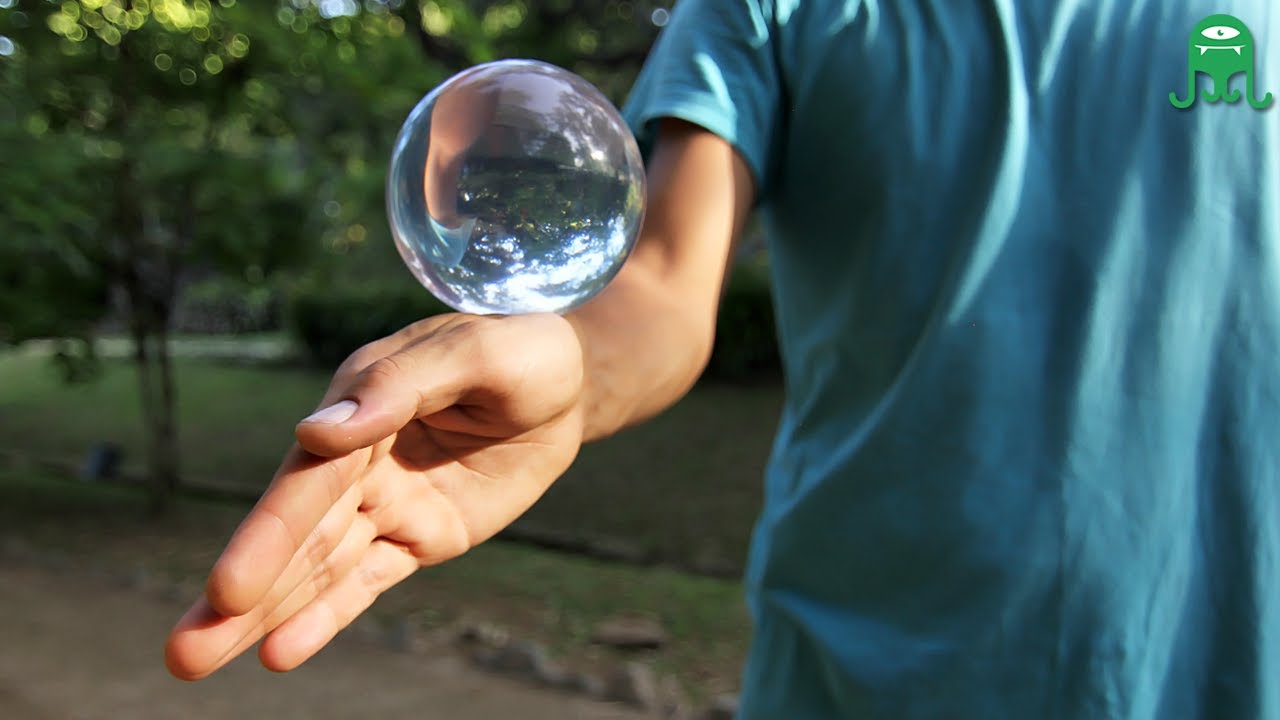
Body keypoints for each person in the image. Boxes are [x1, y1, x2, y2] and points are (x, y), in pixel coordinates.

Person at [166, 1, 1280, 716]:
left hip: (1232, 656)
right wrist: (565, 365)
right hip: (867, 676)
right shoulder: (768, 8)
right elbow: (658, 283)